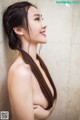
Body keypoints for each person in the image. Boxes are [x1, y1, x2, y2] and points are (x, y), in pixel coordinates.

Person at [3, 1, 57, 120]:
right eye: (37, 19)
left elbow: (53, 99)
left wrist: (46, 113)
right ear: (18, 30)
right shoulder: (21, 72)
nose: (44, 25)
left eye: (41, 19)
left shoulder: (37, 62)